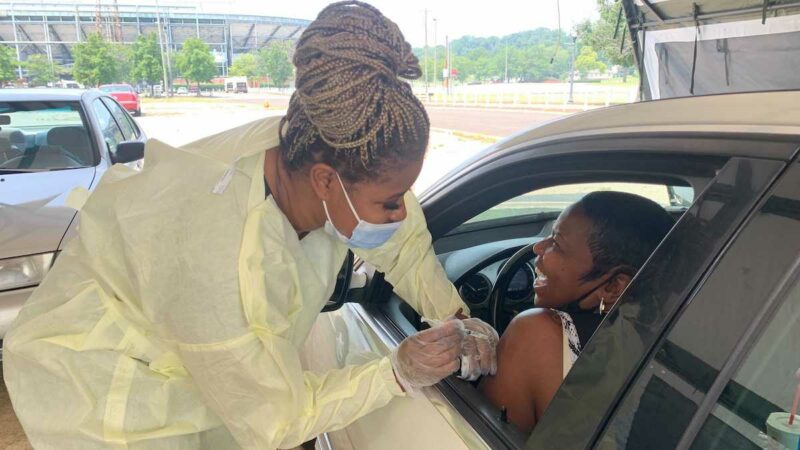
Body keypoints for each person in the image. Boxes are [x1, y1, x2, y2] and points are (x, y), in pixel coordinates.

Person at [2, 2, 497, 449]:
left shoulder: (323, 147)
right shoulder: (209, 252)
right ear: (326, 182)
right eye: (390, 203)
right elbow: (274, 421)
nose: (401, 214)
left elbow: (404, 244)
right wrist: (396, 372)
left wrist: (454, 314)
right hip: (112, 397)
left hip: (200, 371)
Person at [478, 191, 675, 432]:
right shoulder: (658, 337)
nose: (538, 247)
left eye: (556, 244)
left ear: (613, 287)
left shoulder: (534, 332)